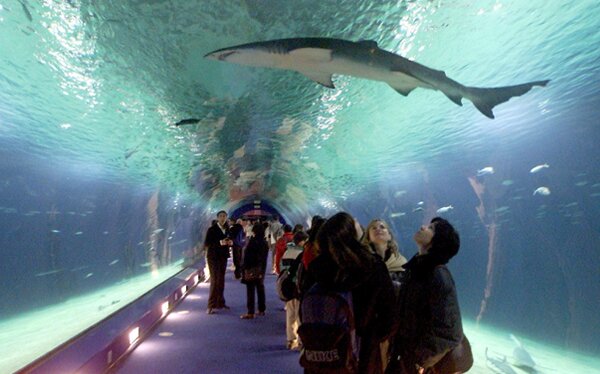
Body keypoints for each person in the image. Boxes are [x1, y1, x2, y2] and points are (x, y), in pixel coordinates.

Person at [309, 212, 396, 373]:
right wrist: (373, 338)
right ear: (351, 234)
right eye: (354, 222)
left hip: (322, 354)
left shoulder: (316, 269)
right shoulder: (373, 266)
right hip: (362, 354)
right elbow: (389, 318)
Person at [388, 217, 467, 374]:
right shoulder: (417, 268)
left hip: (415, 363)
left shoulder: (438, 274)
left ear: (438, 241)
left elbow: (451, 332)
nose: (423, 227)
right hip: (402, 354)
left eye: (431, 228)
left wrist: (419, 361)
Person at [363, 219, 408, 371]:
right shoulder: (362, 263)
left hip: (395, 327)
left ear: (390, 235)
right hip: (369, 329)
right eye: (373, 228)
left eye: (383, 227)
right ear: (367, 236)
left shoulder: (402, 263)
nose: (378, 229)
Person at [279, 230, 309, 350]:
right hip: (298, 288)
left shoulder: (287, 252)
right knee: (300, 316)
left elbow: (282, 268)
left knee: (290, 314)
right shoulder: (302, 254)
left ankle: (291, 340)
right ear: (302, 242)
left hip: (288, 287)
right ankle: (301, 341)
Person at [204, 210, 232, 315]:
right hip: (213, 257)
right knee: (214, 281)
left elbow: (230, 240)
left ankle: (220, 302)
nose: (222, 218)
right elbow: (207, 243)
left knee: (221, 280)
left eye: (224, 216)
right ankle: (210, 305)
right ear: (217, 218)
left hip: (223, 257)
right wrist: (221, 242)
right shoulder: (211, 229)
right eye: (221, 216)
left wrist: (230, 242)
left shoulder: (227, 229)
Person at [240, 222, 270, 319]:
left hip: (251, 268)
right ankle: (262, 309)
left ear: (254, 231)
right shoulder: (265, 243)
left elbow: (248, 257)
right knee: (260, 288)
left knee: (250, 290)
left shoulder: (252, 242)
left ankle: (250, 312)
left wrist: (244, 268)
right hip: (261, 269)